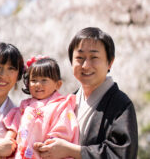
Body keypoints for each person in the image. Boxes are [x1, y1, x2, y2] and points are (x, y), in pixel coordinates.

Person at [34, 27, 138, 159]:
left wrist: (71, 151)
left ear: (110, 62)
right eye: (80, 57)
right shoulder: (67, 101)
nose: (86, 65)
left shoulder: (121, 104)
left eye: (94, 57)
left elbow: (122, 154)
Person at [3, 56, 79, 159]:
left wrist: (49, 144)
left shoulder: (61, 105)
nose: (38, 84)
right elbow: (14, 126)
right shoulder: (25, 105)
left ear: (58, 84)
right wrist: (7, 140)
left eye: (44, 80)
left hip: (46, 154)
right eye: (34, 80)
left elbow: (63, 130)